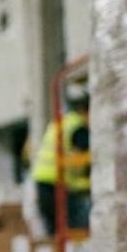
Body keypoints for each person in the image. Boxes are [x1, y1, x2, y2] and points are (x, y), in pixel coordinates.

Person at [31, 84, 92, 235]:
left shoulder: (60, 122)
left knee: (55, 232)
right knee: (78, 225)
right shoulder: (79, 128)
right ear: (86, 111)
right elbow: (79, 164)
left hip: (41, 182)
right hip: (57, 184)